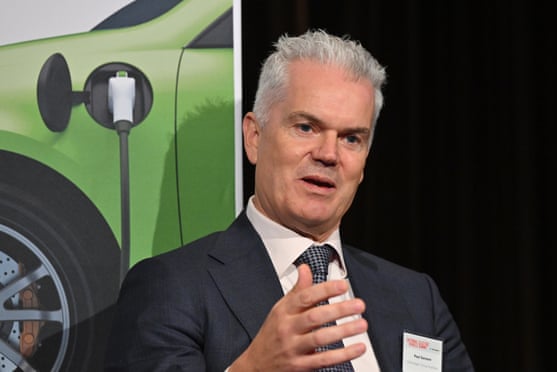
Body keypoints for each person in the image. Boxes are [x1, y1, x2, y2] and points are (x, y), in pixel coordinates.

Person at [104, 29, 474, 371]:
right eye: (306, 127)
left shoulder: (416, 298)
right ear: (254, 137)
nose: (329, 154)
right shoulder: (171, 288)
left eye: (351, 138)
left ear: (364, 163)